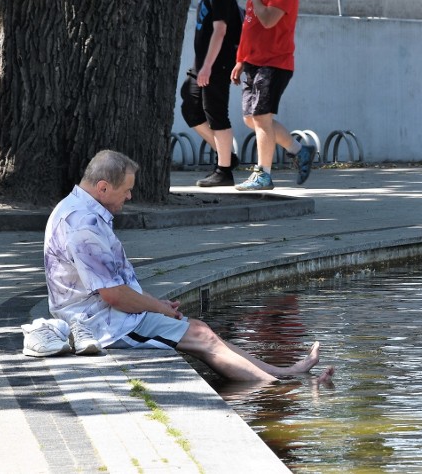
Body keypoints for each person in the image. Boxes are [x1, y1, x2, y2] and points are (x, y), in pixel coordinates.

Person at [44, 149, 334, 383]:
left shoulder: (76, 209)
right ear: (103, 187)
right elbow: (113, 296)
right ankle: (280, 391)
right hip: (102, 325)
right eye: (127, 190)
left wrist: (153, 303)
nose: (130, 197)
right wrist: (156, 307)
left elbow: (111, 289)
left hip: (106, 314)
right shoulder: (82, 224)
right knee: (201, 336)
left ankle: (281, 374)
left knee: (200, 329)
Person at [230, 0, 314, 191]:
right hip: (253, 63)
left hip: (275, 63)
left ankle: (263, 174)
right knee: (250, 120)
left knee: (261, 118)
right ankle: (299, 150)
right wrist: (240, 60)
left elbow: (267, 20)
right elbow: (249, 28)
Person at [180, 0, 243, 187]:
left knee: (216, 113)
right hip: (202, 65)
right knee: (190, 105)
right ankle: (228, 156)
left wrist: (207, 67)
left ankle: (224, 170)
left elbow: (220, 31)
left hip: (216, 64)